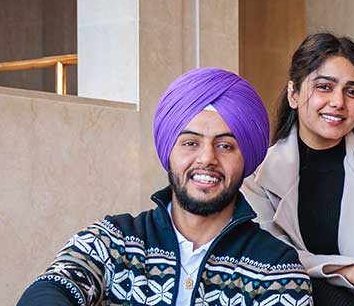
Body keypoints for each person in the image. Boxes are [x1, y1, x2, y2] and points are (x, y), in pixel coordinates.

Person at [18, 68, 313, 306]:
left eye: (225, 146)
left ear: (246, 157)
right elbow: (49, 290)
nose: (207, 158)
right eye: (190, 143)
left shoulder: (276, 269)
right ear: (168, 151)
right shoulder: (112, 241)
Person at [244, 33, 354, 306]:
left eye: (352, 91)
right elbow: (273, 257)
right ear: (294, 94)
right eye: (324, 87)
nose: (338, 101)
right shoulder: (258, 174)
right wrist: (352, 270)